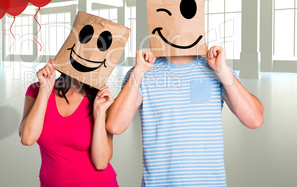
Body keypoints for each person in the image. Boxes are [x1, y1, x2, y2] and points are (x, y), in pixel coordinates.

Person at [107, 46, 264, 186]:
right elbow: (115, 125)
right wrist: (139, 72)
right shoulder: (143, 71)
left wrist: (222, 71)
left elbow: (254, 119)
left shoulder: (217, 68)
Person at [19, 59, 118, 187]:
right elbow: (27, 139)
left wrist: (99, 114)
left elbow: (101, 163)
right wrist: (45, 91)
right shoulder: (37, 89)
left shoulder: (100, 99)